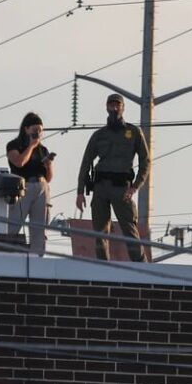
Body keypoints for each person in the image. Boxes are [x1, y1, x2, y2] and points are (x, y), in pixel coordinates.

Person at [76, 93, 150, 262]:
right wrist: (80, 192)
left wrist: (135, 187)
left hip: (122, 188)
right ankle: (104, 268)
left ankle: (143, 268)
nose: (114, 108)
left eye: (117, 105)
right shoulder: (99, 135)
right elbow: (86, 163)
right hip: (101, 187)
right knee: (100, 232)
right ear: (106, 107)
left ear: (123, 107)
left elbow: (145, 162)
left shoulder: (133, 132)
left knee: (130, 231)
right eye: (111, 104)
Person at [4, 112, 55, 256]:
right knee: (14, 225)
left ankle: (37, 258)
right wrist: (31, 146)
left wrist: (48, 165)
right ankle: (10, 255)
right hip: (22, 186)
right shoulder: (14, 145)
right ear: (26, 129)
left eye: (40, 130)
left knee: (39, 228)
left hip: (41, 186)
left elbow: (49, 178)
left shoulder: (43, 149)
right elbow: (19, 162)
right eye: (35, 130)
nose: (38, 133)